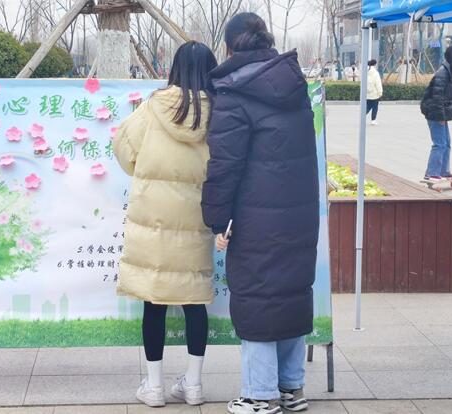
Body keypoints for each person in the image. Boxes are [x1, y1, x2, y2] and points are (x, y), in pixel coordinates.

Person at [202, 12, 319, 414]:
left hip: (256, 216)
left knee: (258, 297)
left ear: (229, 47)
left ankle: (259, 395)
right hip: (299, 213)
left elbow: (224, 166)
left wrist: (217, 219)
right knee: (289, 293)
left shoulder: (235, 92)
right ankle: (292, 390)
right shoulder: (295, 84)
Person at [113, 41, 217, 408]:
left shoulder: (153, 107)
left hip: (153, 220)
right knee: (194, 300)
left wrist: (143, 170)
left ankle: (154, 387)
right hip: (196, 218)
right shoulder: (220, 111)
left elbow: (123, 148)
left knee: (154, 301)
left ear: (175, 68)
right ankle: (194, 385)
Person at [420, 45, 452, 180]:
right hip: (435, 113)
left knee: (446, 143)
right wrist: (440, 116)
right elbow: (437, 96)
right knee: (439, 143)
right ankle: (431, 173)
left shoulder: (451, 70)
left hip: (441, 113)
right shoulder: (443, 72)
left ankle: (443, 171)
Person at [366, 59, 383, 125]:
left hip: (367, 94)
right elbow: (378, 84)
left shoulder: (366, 72)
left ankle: (362, 116)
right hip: (375, 94)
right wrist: (380, 92)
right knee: (375, 107)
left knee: (368, 106)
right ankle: (373, 120)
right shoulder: (375, 73)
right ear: (375, 64)